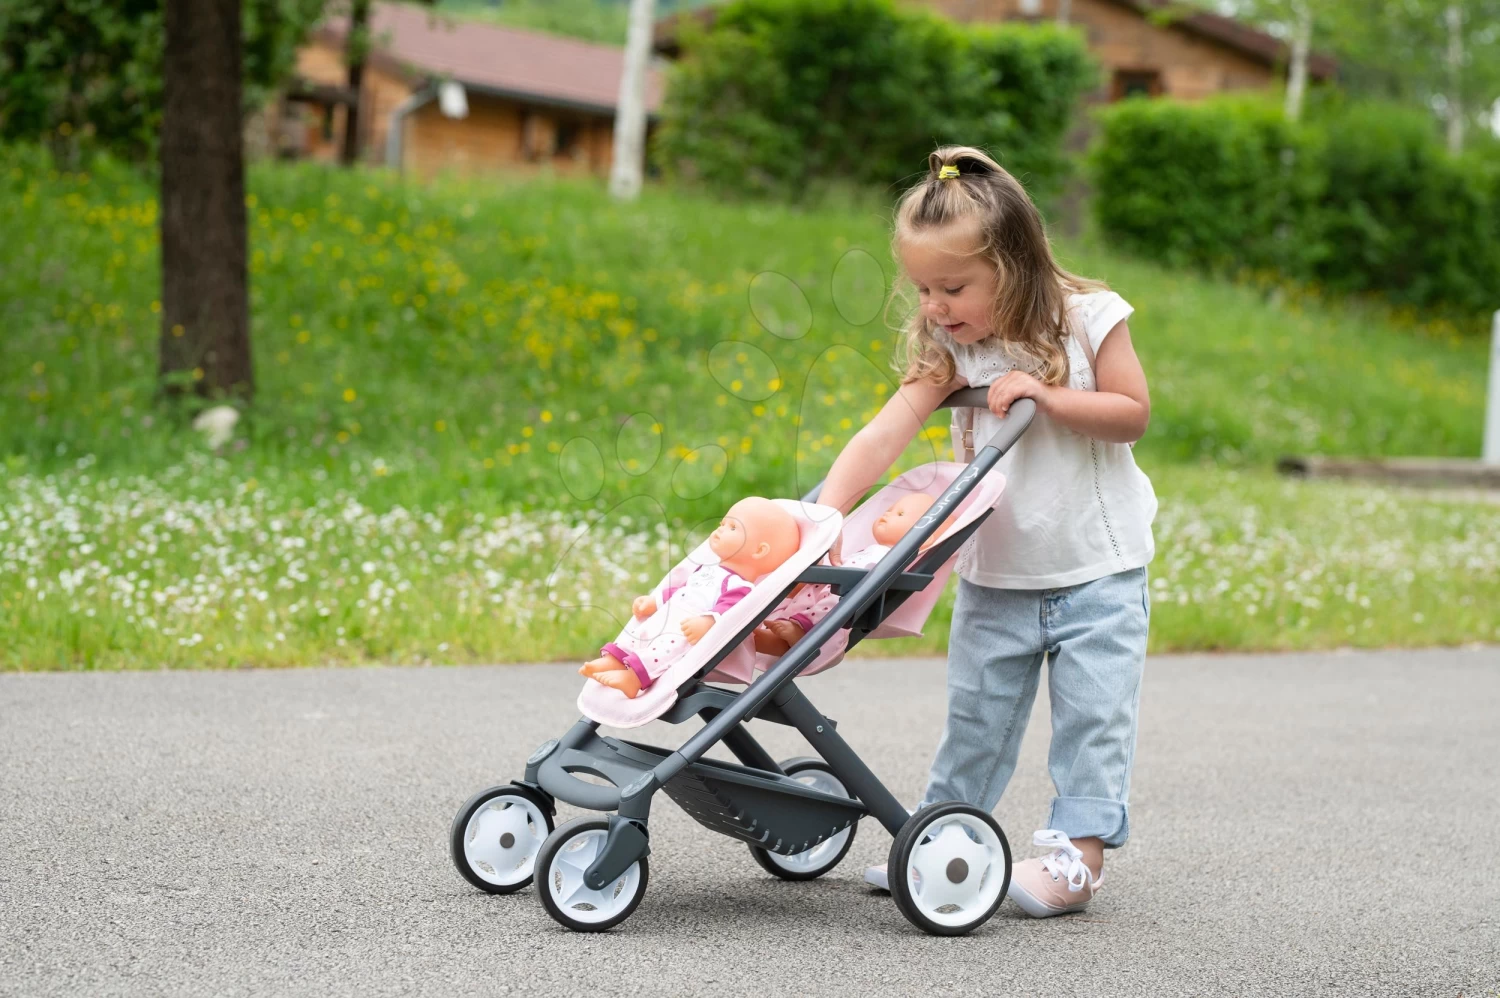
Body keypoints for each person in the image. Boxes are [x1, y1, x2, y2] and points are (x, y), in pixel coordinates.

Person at [815, 146, 1156, 918]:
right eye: (924, 289)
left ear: (1017, 262)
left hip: (1096, 569)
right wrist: (827, 511)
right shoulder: (950, 348)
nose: (935, 305)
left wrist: (1046, 394)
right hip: (997, 571)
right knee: (975, 717)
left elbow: (1131, 413)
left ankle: (1077, 857)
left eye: (954, 286)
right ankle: (942, 837)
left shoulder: (1089, 320)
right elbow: (882, 434)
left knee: (1092, 720)